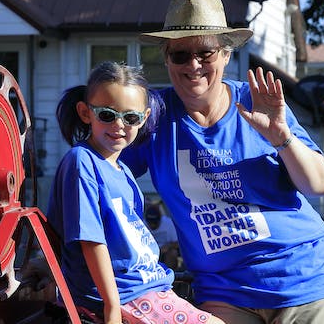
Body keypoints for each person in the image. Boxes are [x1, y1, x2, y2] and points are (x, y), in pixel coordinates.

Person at [120, 0, 324, 323]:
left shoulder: (256, 101)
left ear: (226, 54)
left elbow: (318, 184)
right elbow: (97, 172)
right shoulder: (154, 116)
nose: (194, 65)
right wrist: (56, 253)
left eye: (206, 52)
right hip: (225, 295)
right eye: (180, 55)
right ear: (166, 57)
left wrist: (280, 136)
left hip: (308, 279)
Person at [47, 61, 224, 324]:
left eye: (131, 118)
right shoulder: (81, 161)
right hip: (124, 293)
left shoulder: (124, 172)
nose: (119, 125)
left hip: (148, 285)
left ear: (144, 118)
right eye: (107, 114)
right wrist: (111, 307)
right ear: (85, 113)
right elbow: (91, 240)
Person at [144, 203, 180, 270]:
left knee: (172, 252)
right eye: (150, 222)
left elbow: (178, 243)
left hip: (165, 252)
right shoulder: (142, 224)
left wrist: (168, 246)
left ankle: (170, 272)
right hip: (149, 252)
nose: (152, 226)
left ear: (160, 219)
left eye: (155, 223)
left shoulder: (168, 223)